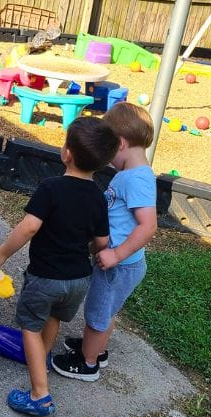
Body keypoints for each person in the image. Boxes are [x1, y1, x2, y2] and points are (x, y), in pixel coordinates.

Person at [0, 117, 119, 417]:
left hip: (46, 277)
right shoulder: (98, 196)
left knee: (29, 326)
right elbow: (102, 241)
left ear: (66, 153)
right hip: (78, 279)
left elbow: (30, 227)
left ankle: (39, 394)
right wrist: (92, 250)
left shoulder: (51, 187)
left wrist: (2, 253)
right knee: (53, 317)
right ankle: (40, 359)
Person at [51, 102, 157, 381]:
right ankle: (95, 349)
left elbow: (148, 227)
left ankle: (87, 364)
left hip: (118, 265)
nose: (106, 158)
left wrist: (116, 254)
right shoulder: (132, 174)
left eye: (108, 149)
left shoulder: (137, 180)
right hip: (119, 263)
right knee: (105, 310)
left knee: (98, 312)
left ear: (120, 144)